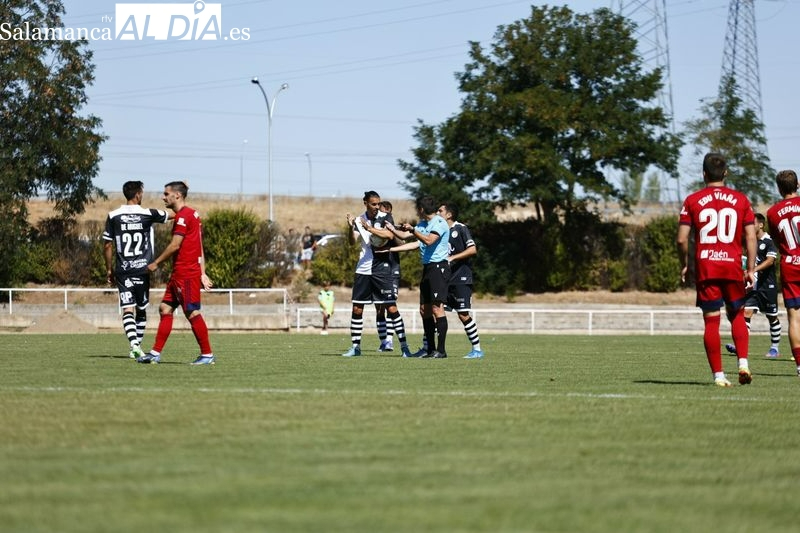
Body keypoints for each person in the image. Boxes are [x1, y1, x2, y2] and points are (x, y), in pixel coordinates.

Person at [676, 152, 756, 387]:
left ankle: (719, 376)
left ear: (703, 174)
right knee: (738, 315)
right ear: (725, 173)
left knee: (712, 321)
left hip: (707, 267)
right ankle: (743, 363)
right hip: (732, 265)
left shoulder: (692, 200)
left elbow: (682, 239)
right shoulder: (741, 199)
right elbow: (750, 236)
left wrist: (684, 263)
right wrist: (750, 268)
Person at [137, 181, 216, 365]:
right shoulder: (192, 214)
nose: (163, 197)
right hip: (179, 274)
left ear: (177, 195)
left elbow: (175, 245)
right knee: (165, 308)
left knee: (192, 313)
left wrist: (155, 263)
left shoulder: (183, 217)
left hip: (186, 274)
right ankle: (155, 353)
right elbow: (199, 247)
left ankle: (207, 354)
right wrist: (203, 272)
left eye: (166, 194)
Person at [102, 180, 170, 359]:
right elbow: (172, 215)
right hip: (143, 270)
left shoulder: (113, 215)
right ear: (138, 194)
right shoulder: (148, 213)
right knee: (141, 310)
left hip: (123, 270)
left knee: (127, 309)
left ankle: (134, 345)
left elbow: (107, 245)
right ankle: (136, 345)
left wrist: (109, 269)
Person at [341, 191, 413, 357]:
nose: (376, 207)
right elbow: (352, 242)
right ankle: (356, 347)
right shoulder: (359, 219)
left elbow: (389, 235)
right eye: (373, 204)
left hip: (382, 268)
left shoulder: (385, 217)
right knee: (357, 308)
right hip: (363, 269)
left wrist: (370, 228)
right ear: (365, 202)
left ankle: (404, 347)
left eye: (378, 203)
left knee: (391, 307)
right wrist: (350, 227)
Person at [389, 195, 451, 358]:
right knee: (425, 310)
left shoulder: (439, 222)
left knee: (438, 309)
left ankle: (441, 350)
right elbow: (404, 238)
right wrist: (390, 228)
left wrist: (413, 230)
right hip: (428, 269)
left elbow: (429, 241)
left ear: (421, 209)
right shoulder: (423, 224)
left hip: (439, 268)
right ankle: (430, 349)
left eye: (417, 208)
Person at [724, 213, 782, 358]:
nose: (749, 226)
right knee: (746, 313)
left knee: (772, 317)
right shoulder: (750, 241)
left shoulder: (769, 241)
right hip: (752, 286)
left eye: (753, 223)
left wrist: (753, 270)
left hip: (767, 286)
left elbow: (770, 261)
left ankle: (774, 348)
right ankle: (740, 346)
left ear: (761, 225)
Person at [439, 203, 484, 359]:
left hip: (461, 279)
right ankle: (430, 348)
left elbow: (472, 249)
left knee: (463, 315)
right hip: (444, 279)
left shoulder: (461, 229)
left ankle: (477, 349)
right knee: (435, 311)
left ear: (449, 214)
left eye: (440, 211)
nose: (438, 213)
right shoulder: (440, 230)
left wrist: (453, 257)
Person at [766, 169, 800, 378]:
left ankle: (799, 365)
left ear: (779, 189)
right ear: (798, 185)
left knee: (794, 317)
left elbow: (778, 242)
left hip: (790, 264)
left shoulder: (771, 212)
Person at [374, 200, 399, 351]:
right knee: (379, 308)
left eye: (382, 210)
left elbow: (401, 242)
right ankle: (383, 341)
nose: (379, 212)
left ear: (388, 211)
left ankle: (390, 340)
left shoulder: (392, 228)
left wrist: (392, 233)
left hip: (392, 269)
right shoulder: (375, 227)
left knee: (390, 304)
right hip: (376, 270)